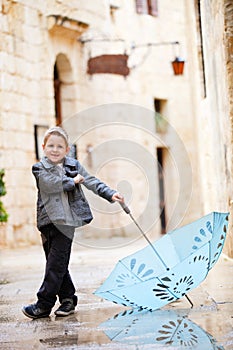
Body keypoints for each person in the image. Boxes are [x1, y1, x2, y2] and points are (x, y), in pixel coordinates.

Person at [22, 126, 124, 319]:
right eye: (51, 145)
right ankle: (68, 299)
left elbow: (92, 181)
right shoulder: (39, 168)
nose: (55, 149)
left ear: (67, 149)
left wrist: (110, 193)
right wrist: (73, 181)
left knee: (55, 264)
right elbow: (50, 184)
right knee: (57, 263)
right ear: (43, 147)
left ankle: (43, 305)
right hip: (46, 222)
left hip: (65, 223)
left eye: (60, 146)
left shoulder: (73, 165)